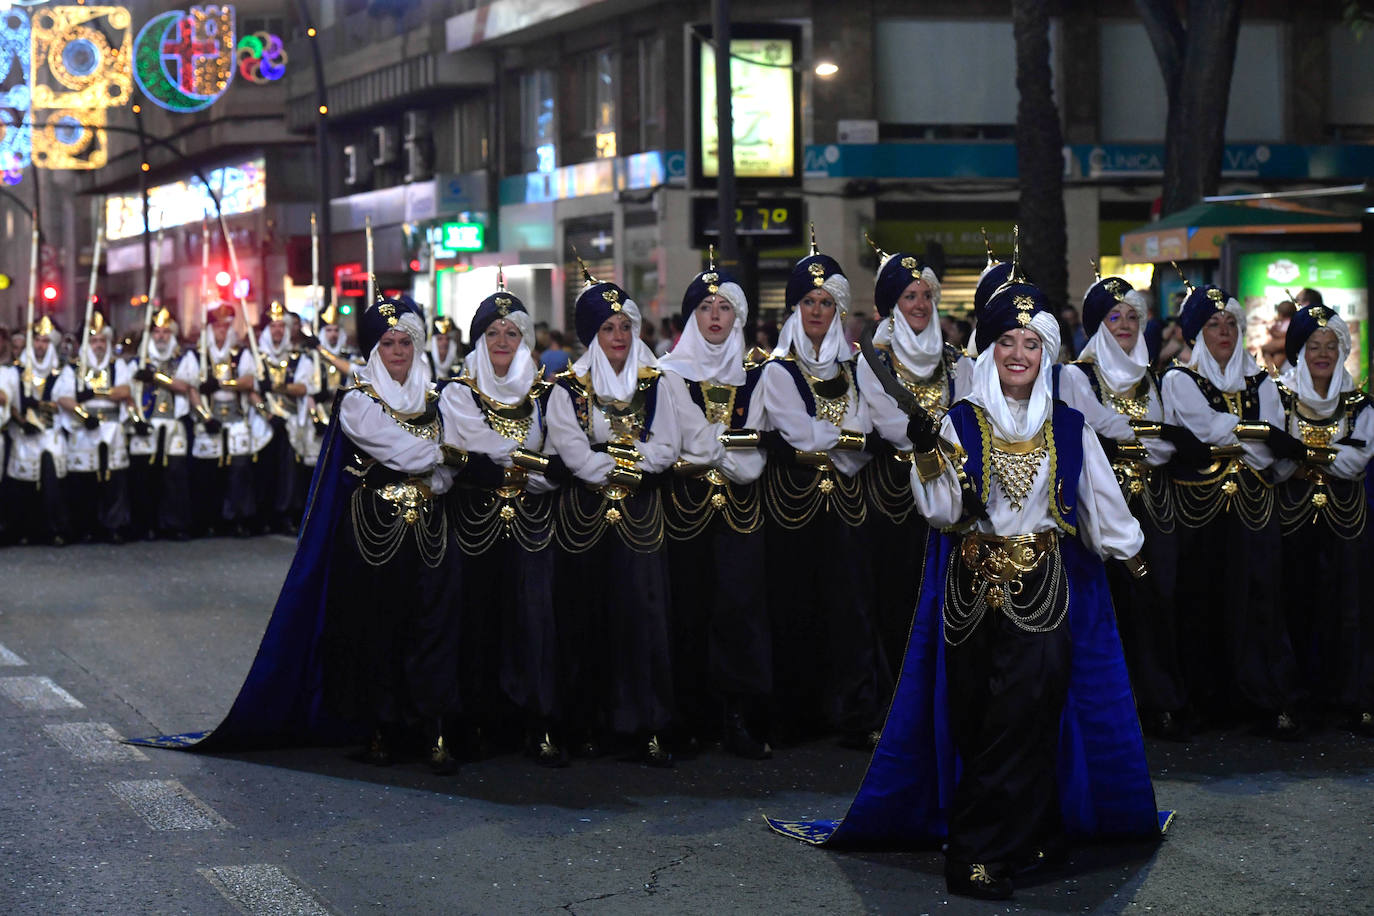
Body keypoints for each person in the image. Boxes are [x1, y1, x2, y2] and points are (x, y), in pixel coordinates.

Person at [768, 264, 1162, 902]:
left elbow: (1103, 510)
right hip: (971, 596)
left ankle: (987, 850)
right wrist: (933, 459)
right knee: (979, 718)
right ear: (991, 348)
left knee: (1030, 717)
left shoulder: (1070, 426)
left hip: (1044, 592)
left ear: (1047, 354)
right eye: (1007, 341)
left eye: (1031, 344)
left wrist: (1134, 558)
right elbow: (943, 512)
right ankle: (1003, 835)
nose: (1018, 354)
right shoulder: (960, 423)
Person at [129, 296, 467, 770]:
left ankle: (432, 728)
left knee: (433, 626)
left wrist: (443, 466)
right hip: (373, 532)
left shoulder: (439, 398)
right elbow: (403, 452)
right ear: (373, 348)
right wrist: (442, 458)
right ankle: (378, 728)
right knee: (376, 627)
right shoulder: (357, 400)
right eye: (387, 342)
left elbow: (450, 465)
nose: (397, 351)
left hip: (431, 531)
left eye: (405, 342)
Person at [543, 259, 683, 766]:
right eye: (608, 327)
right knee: (585, 614)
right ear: (590, 335)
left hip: (643, 515)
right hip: (584, 518)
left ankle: (647, 724)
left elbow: (668, 444)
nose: (619, 335)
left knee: (644, 617)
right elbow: (572, 452)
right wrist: (620, 464)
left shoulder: (656, 382)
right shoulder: (567, 388)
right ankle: (586, 724)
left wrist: (622, 464)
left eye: (625, 325)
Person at [1161, 282, 1306, 737]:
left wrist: (1240, 440)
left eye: (1230, 324)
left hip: (1254, 511)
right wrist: (1256, 433)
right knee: (1201, 599)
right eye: (1212, 324)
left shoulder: (1260, 379)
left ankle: (1264, 697)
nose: (1223, 332)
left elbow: (1265, 450)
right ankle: (1203, 700)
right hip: (1199, 513)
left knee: (1259, 597)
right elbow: (1203, 429)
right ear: (1196, 333)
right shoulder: (1178, 379)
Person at [757, 232, 885, 748]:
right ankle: (797, 716)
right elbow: (802, 437)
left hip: (848, 510)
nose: (816, 310)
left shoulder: (856, 368)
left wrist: (838, 443)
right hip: (793, 511)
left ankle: (854, 714)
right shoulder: (776, 369)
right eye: (808, 301)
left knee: (851, 609)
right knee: (794, 607)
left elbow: (863, 438)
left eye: (826, 302)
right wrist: (843, 441)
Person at [1054, 276, 1194, 739]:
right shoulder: (1077, 375)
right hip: (1103, 507)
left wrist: (1142, 439)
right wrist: (1149, 436)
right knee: (1110, 603)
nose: (1126, 325)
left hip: (1156, 505)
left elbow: (1163, 449)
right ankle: (1112, 706)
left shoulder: (1151, 377)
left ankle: (1161, 700)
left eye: (1134, 316)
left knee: (1160, 600)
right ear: (1097, 324)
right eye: (1115, 316)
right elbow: (1097, 430)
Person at [440, 272, 568, 765]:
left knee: (533, 620)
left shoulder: (543, 395)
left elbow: (558, 463)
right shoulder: (457, 392)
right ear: (478, 339)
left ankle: (535, 722)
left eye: (512, 333)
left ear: (526, 340)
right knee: (476, 618)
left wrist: (525, 469)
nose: (501, 341)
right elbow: (475, 450)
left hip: (533, 526)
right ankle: (474, 722)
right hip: (474, 526)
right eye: (492, 333)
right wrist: (528, 464)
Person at [659, 258, 773, 759]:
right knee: (688, 607)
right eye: (705, 307)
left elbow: (759, 450)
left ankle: (737, 715)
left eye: (724, 307)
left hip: (742, 512)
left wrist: (713, 447)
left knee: (741, 610)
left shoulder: (758, 373)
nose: (714, 316)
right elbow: (681, 443)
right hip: (686, 511)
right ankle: (688, 715)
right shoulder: (668, 374)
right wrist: (729, 444)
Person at [855, 239, 971, 684]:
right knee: (898, 595)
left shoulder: (956, 360)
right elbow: (893, 427)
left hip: (950, 498)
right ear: (891, 305)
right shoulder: (873, 361)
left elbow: (970, 420)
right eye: (909, 295)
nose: (920, 304)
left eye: (926, 294)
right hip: (895, 501)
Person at [1273, 305, 1374, 732]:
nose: (1322, 353)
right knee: (1292, 604)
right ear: (1299, 350)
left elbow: (1359, 460)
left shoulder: (1358, 402)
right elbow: (1274, 462)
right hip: (1291, 518)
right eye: (1313, 345)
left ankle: (1352, 697)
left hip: (1346, 520)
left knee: (1349, 607)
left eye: (1331, 346)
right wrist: (1327, 458)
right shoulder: (1279, 395)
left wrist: (1305, 458)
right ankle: (1292, 700)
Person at [191, 303, 271, 537]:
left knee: (239, 469)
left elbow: (247, 381)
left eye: (226, 327)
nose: (221, 332)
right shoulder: (199, 355)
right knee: (209, 471)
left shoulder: (241, 354)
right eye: (217, 327)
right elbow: (192, 388)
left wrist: (221, 384)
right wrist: (204, 416)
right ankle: (209, 519)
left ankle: (238, 518)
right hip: (211, 416)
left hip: (236, 417)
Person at [127, 308, 200, 540]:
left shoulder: (184, 359)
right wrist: (136, 420)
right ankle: (145, 524)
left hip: (173, 423)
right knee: (145, 476)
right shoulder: (139, 360)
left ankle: (174, 524)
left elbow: (185, 386)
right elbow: (129, 393)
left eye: (165, 332)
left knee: (175, 476)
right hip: (147, 424)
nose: (160, 337)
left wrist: (156, 377)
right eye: (157, 332)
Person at [62, 312, 133, 543]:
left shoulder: (117, 366)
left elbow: (124, 391)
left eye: (102, 340)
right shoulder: (74, 368)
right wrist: (82, 414)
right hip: (85, 428)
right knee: (85, 479)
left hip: (111, 427)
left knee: (114, 480)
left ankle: (114, 525)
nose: (98, 345)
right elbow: (63, 397)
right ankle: (86, 526)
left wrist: (93, 393)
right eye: (94, 341)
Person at [6, 317, 74, 545]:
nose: (40, 345)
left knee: (52, 480)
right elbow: (11, 401)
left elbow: (61, 401)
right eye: (37, 340)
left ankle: (55, 529)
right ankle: (25, 530)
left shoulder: (61, 371)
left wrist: (36, 404)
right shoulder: (16, 371)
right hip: (25, 433)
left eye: (45, 340)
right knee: (24, 481)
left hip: (51, 431)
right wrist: (21, 418)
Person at [253, 302, 314, 535]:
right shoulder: (256, 355)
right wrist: (264, 411)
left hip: (289, 420)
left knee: (289, 472)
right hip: (264, 420)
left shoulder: (298, 358)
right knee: (264, 470)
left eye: (281, 326)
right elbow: (251, 388)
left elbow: (302, 387)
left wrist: (277, 386)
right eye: (273, 326)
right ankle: (263, 515)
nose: (278, 331)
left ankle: (285, 515)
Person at [426, 316, 463, 383]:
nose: (444, 342)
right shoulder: (425, 362)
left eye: (447, 339)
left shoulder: (459, 365)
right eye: (440, 339)